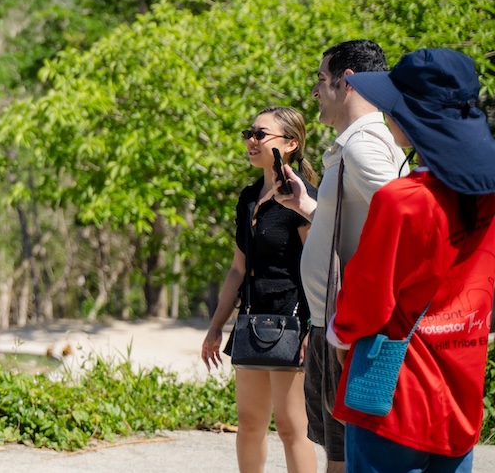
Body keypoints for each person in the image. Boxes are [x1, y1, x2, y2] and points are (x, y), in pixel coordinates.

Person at [326, 49, 495, 473]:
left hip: (393, 399)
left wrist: (338, 340)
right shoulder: (487, 197)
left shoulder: (401, 201)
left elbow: (366, 301)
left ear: (415, 116)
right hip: (461, 396)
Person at [276, 40, 404, 472]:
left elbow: (408, 222)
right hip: (332, 325)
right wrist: (307, 207)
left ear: (346, 81)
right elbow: (369, 221)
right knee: (339, 454)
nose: (315, 91)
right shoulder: (356, 145)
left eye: (320, 79)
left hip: (347, 333)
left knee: (347, 458)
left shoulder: (362, 147)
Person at [202, 106, 319, 473]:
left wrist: (313, 326)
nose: (251, 141)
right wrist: (215, 326)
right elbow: (238, 270)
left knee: (291, 427)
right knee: (249, 424)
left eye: (260, 134)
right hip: (253, 322)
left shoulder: (303, 199)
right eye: (248, 133)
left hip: (294, 321)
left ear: (290, 144)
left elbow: (315, 267)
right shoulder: (249, 198)